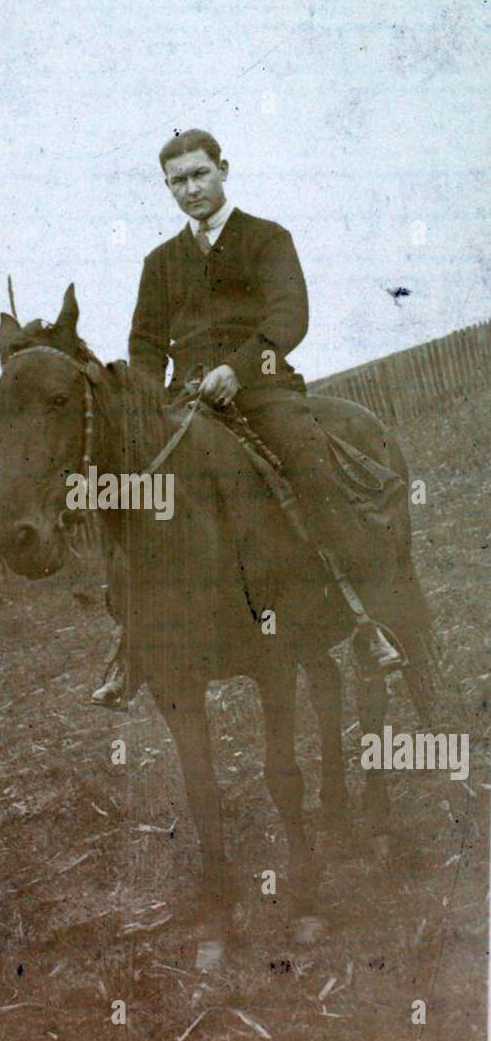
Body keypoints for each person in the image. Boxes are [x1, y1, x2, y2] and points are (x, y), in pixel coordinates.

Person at [92, 128, 401, 706]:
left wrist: (237, 369)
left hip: (261, 390)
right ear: (167, 187)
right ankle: (132, 643)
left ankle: (363, 617)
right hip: (186, 402)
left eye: (199, 174)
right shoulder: (159, 263)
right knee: (134, 494)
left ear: (223, 170)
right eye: (177, 181)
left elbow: (289, 315)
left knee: (308, 466)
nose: (190, 189)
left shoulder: (266, 238)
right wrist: (148, 401)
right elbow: (145, 344)